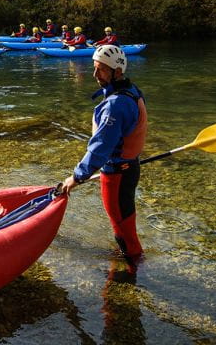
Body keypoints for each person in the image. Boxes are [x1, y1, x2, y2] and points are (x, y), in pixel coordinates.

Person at [58, 45, 147, 276]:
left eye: (101, 71)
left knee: (123, 228)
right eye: (95, 69)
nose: (95, 75)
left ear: (117, 71)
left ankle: (131, 272)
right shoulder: (130, 90)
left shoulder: (115, 105)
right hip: (128, 168)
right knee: (124, 221)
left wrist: (76, 177)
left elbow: (100, 149)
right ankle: (131, 263)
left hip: (117, 175)